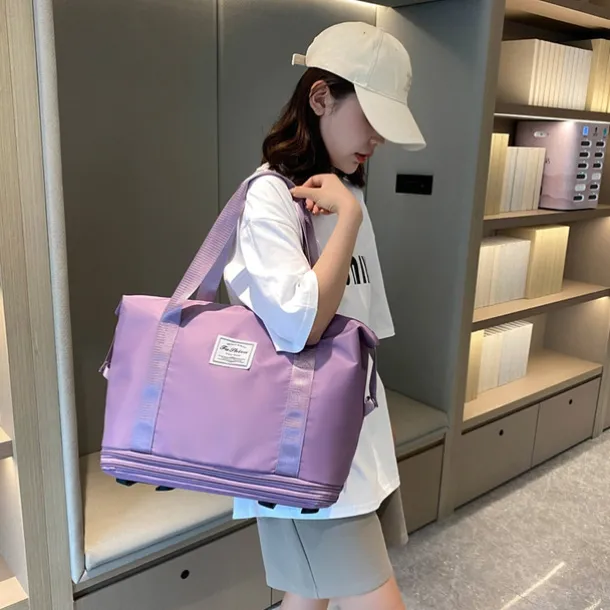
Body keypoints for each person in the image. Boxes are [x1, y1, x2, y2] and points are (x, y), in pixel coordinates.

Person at [223, 21, 425, 610]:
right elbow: (302, 326)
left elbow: (366, 330)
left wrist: (348, 211)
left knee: (307, 599)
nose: (378, 139)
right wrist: (349, 221)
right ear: (320, 98)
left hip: (350, 441)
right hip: (302, 452)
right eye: (371, 118)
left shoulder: (344, 194)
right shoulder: (270, 197)